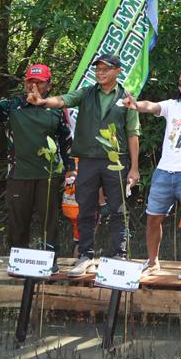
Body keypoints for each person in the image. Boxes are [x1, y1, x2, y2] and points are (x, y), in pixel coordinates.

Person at [29, 53, 140, 276]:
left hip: (115, 160)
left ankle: (120, 255)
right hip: (88, 159)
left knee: (118, 209)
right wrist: (42, 101)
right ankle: (85, 255)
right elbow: (63, 100)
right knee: (86, 209)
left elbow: (133, 133)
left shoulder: (127, 97)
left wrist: (134, 167)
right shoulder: (87, 92)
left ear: (118, 71)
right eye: (97, 69)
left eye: (105, 69)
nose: (100, 72)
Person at [120, 66, 181, 278]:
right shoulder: (172, 106)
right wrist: (135, 105)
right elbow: (151, 107)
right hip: (164, 171)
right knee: (153, 217)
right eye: (180, 83)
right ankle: (152, 261)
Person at [0, 65, 73, 251]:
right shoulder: (12, 106)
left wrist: (70, 168)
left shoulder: (56, 109)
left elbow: (66, 141)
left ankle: (50, 260)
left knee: (49, 221)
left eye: (39, 82)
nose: (33, 85)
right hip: (19, 174)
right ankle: (18, 260)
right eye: (30, 81)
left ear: (48, 85)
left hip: (48, 175)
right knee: (17, 221)